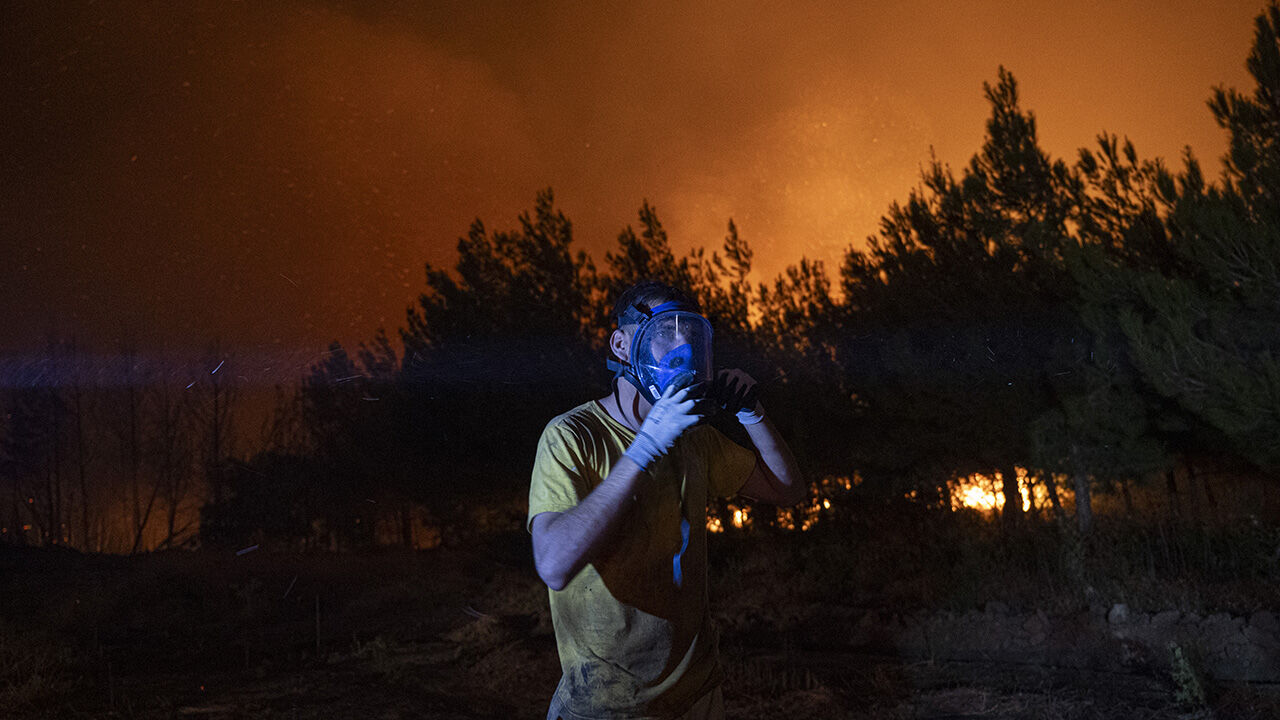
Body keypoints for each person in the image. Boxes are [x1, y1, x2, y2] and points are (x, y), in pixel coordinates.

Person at [528, 280, 804, 720]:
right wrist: (645, 447)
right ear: (621, 344)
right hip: (606, 706)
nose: (682, 349)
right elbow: (553, 565)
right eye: (663, 331)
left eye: (690, 334)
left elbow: (789, 490)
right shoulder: (572, 436)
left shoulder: (694, 439)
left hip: (697, 697)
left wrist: (752, 413)